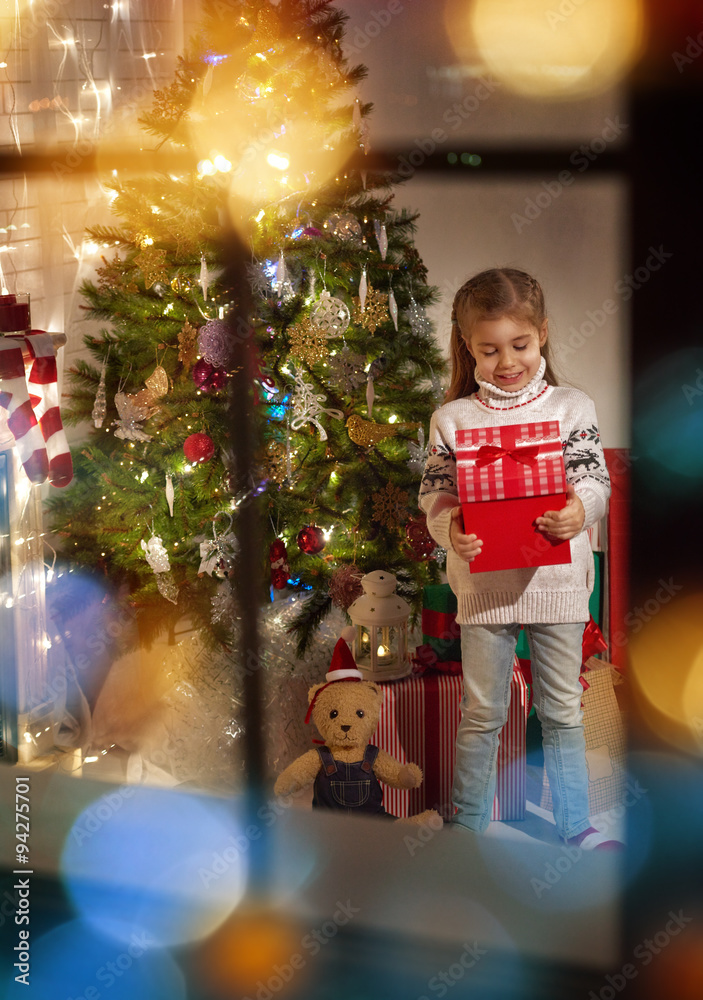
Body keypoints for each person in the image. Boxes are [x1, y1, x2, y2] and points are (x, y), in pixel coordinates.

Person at [419, 267, 620, 850]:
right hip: (485, 590)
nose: (507, 361)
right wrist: (449, 527)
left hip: (556, 583)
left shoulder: (571, 407)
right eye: (489, 350)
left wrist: (578, 513)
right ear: (467, 349)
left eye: (520, 345)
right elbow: (436, 496)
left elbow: (595, 482)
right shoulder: (451, 419)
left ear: (543, 335)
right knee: (483, 713)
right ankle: (468, 827)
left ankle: (574, 825)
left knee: (562, 711)